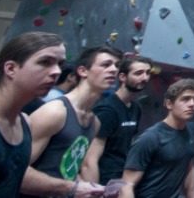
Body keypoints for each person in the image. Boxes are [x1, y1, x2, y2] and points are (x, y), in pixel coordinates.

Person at [0, 33, 100, 197]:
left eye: (60, 64)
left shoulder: (24, 124)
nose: (57, 72)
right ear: (11, 68)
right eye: (45, 62)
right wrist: (68, 188)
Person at [22, 45, 121, 198]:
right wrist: (70, 188)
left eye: (117, 66)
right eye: (106, 64)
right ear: (83, 71)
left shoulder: (94, 122)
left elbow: (67, 171)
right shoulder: (55, 112)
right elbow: (15, 169)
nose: (114, 70)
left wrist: (92, 190)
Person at [120, 78, 194, 198]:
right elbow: (126, 186)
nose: (192, 104)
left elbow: (188, 167)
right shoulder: (150, 138)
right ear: (169, 104)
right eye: (185, 99)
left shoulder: (191, 131)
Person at [82, 55, 152, 184]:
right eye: (139, 73)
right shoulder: (107, 111)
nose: (145, 78)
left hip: (122, 177)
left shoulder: (136, 108)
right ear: (122, 77)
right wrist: (96, 191)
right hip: (104, 179)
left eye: (148, 73)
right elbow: (89, 160)